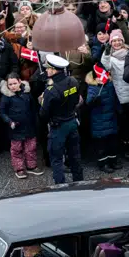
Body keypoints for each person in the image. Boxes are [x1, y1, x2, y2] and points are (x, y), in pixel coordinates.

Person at [39, 54, 83, 184]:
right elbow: (76, 101)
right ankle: (79, 183)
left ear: (53, 70)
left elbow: (43, 114)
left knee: (56, 159)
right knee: (75, 157)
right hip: (72, 122)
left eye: (48, 68)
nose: (46, 70)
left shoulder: (50, 90)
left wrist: (42, 101)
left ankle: (60, 188)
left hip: (58, 127)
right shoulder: (73, 81)